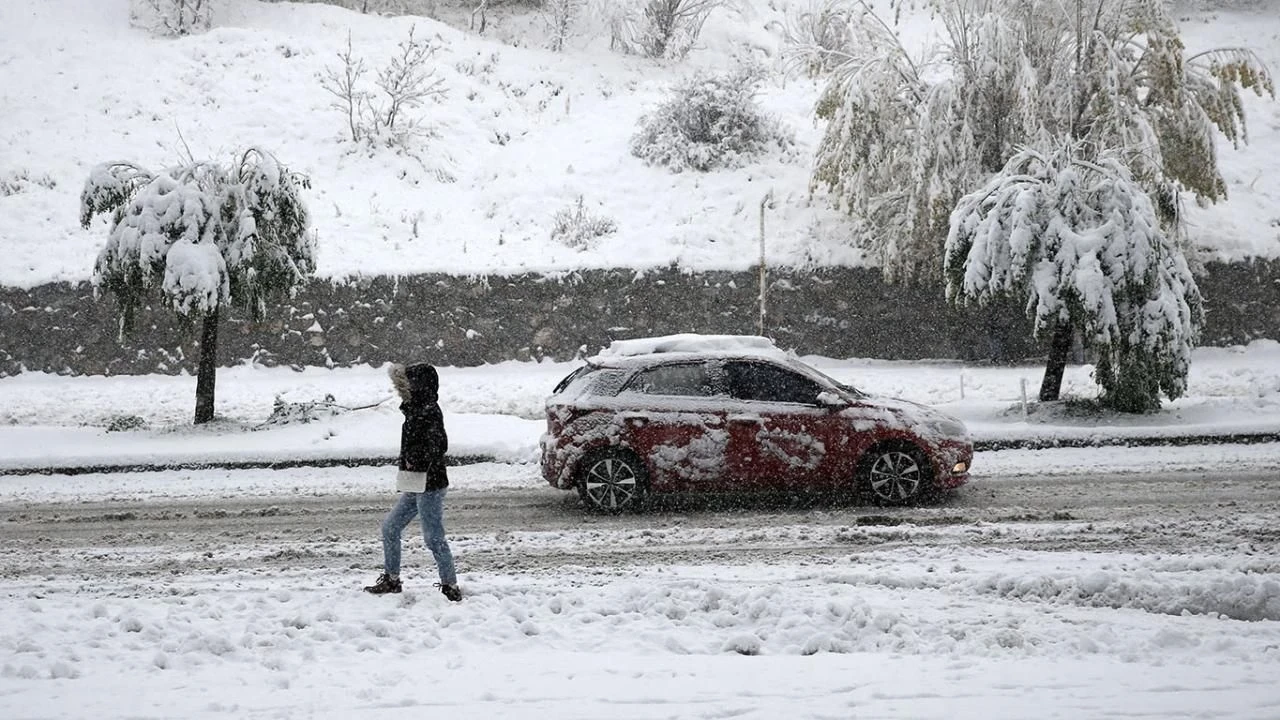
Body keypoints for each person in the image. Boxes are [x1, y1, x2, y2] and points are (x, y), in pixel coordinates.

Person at [364, 362, 462, 601]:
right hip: (414, 481)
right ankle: (392, 580)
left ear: (418, 385)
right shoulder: (415, 408)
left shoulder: (429, 410)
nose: (402, 388)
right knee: (390, 528)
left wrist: (414, 460)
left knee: (433, 537)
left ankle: (450, 586)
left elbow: (439, 445)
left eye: (407, 383)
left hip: (431, 483)